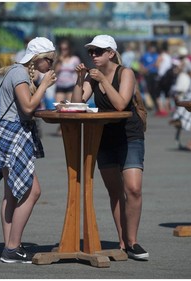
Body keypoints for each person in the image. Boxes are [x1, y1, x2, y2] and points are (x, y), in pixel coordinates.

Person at [71, 35, 148, 261]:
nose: (93, 55)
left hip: (129, 135)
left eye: (98, 51)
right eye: (91, 52)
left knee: (133, 188)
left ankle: (133, 241)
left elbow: (120, 103)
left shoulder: (126, 73)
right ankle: (123, 241)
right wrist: (80, 79)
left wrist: (103, 81)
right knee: (115, 191)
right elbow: (77, 103)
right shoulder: (92, 77)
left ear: (111, 53)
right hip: (103, 135)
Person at [0, 37, 57, 263]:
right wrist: (44, 85)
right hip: (13, 134)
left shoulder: (19, 72)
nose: (51, 66)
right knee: (32, 191)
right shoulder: (20, 74)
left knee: (12, 193)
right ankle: (13, 247)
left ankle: (10, 247)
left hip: (9, 134)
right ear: (39, 59)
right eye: (50, 61)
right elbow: (26, 106)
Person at [54, 39, 80, 135]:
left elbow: (79, 72)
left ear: (69, 49)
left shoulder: (74, 59)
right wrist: (59, 62)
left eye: (66, 49)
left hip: (70, 85)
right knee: (59, 107)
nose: (64, 51)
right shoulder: (58, 59)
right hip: (60, 85)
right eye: (62, 49)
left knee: (69, 108)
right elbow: (55, 72)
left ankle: (67, 126)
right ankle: (61, 126)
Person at [139, 41, 158, 113]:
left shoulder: (156, 55)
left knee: (154, 90)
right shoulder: (145, 55)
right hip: (147, 75)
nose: (153, 49)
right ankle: (149, 104)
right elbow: (141, 64)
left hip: (154, 74)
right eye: (152, 48)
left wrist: (148, 68)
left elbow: (156, 64)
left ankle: (154, 104)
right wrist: (143, 70)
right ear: (149, 49)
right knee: (147, 89)